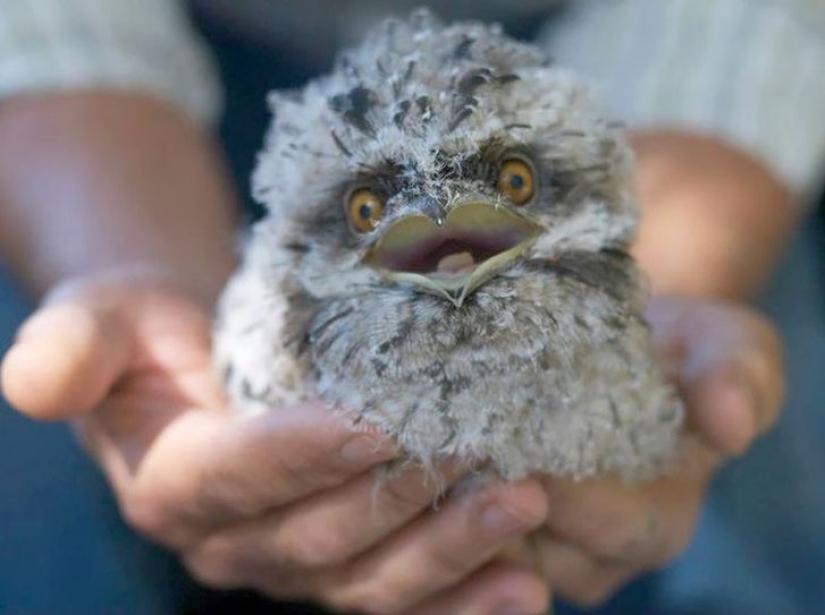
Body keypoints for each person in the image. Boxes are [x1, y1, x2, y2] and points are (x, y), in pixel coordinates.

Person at [0, 1, 821, 613]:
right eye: (373, 216)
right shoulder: (286, 307)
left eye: (508, 191)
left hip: (629, 66)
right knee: (44, 527)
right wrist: (129, 259)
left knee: (758, 518)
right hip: (157, 78)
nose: (451, 246)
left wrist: (674, 262)